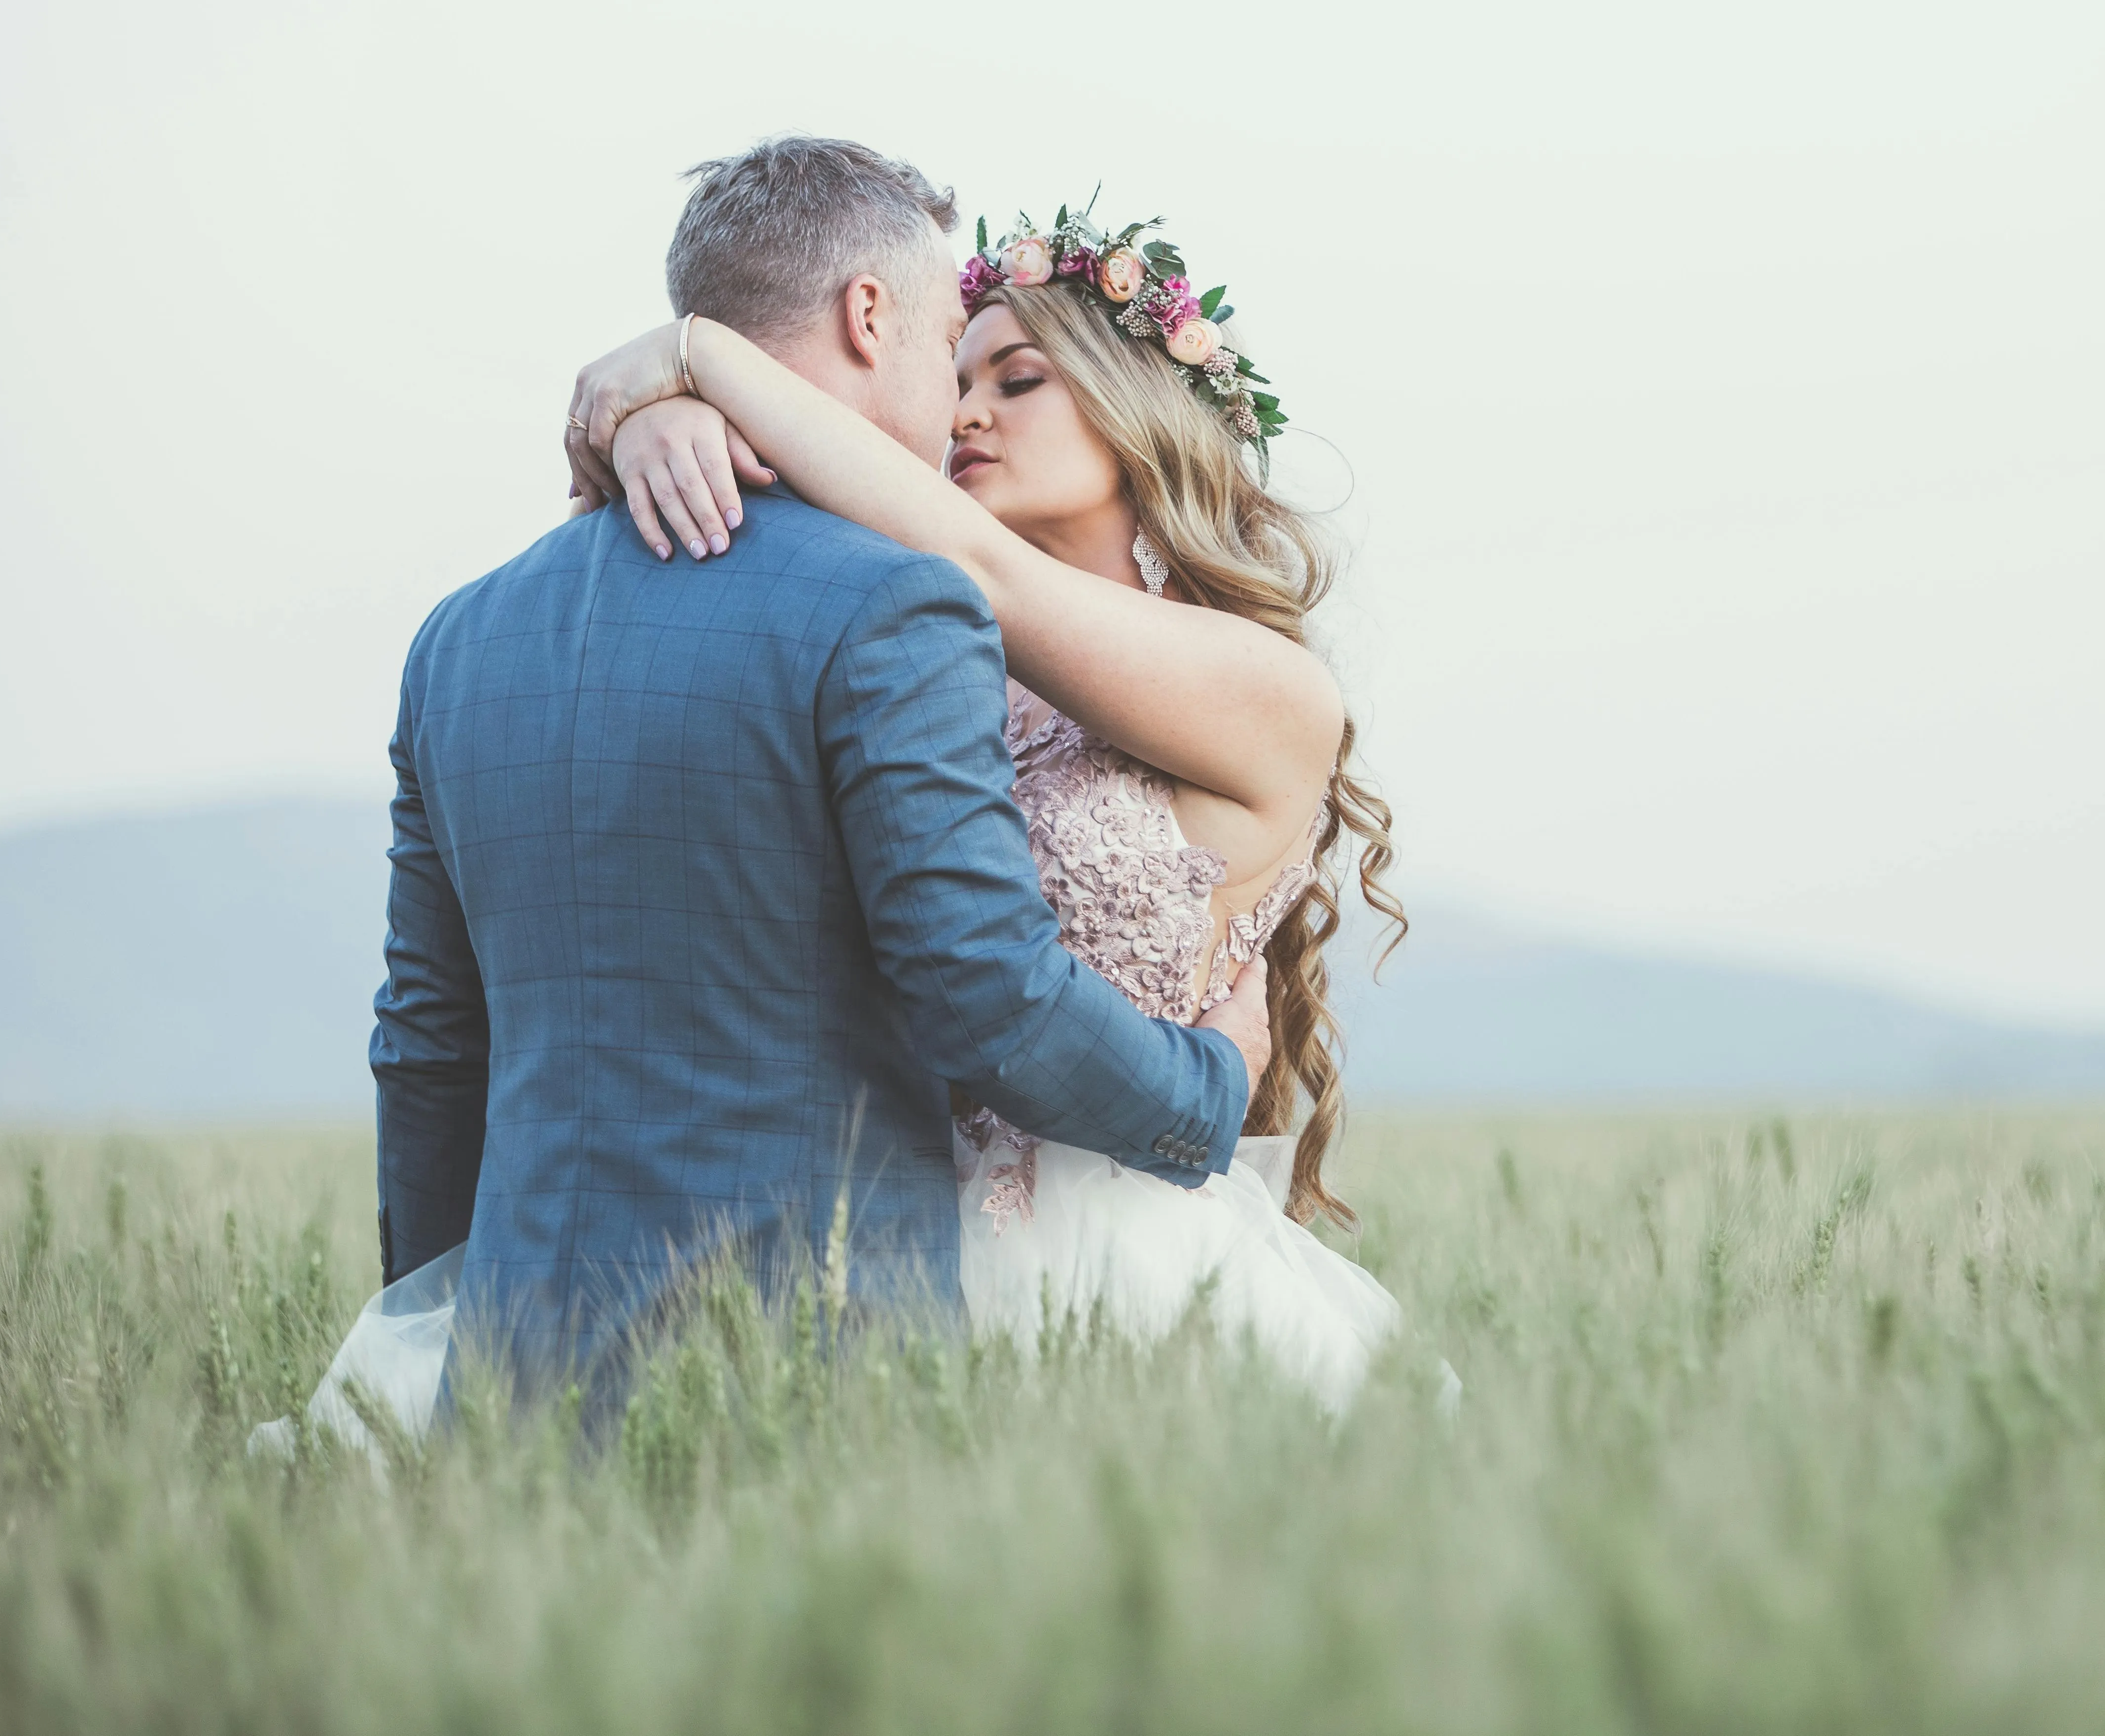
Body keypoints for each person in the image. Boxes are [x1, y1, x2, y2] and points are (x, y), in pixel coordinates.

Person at [278, 140, 1273, 1453]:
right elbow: (984, 992)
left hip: (511, 1380)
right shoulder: (895, 603)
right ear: (869, 316)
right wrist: (1209, 1094)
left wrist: (437, 1331)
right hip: (817, 1369)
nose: (955, 407)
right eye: (940, 346)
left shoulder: (460, 641)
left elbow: (429, 1049)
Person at [561, 177, 1409, 1410]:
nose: (964, 413)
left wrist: (698, 353)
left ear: (1137, 416)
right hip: (884, 1259)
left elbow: (981, 570)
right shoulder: (941, 669)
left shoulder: (1270, 690)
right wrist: (651, 427)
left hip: (1132, 1265)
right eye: (955, 381)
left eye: (1017, 382)